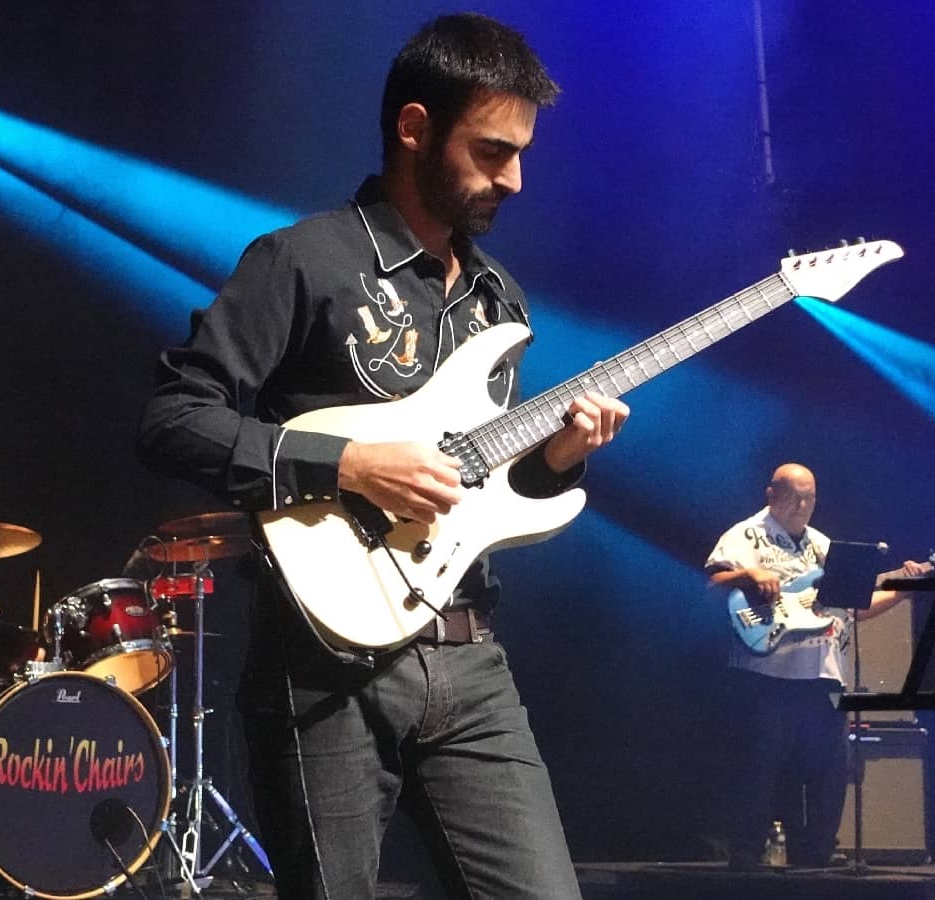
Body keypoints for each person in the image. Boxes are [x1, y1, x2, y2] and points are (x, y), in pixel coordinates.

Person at [137, 13, 629, 899]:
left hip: (471, 656)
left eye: (520, 153)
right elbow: (175, 417)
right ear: (413, 128)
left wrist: (555, 459)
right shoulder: (304, 260)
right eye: (489, 151)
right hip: (325, 661)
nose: (513, 179)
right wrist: (348, 466)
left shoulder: (497, 296)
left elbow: (481, 486)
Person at [705, 462, 930, 869]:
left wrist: (900, 589)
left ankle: (817, 854)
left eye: (809, 497)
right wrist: (752, 574)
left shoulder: (822, 545)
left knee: (829, 771)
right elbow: (715, 579)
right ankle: (746, 857)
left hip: (822, 675)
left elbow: (854, 607)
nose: (802, 505)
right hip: (767, 673)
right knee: (759, 769)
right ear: (771, 494)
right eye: (793, 496)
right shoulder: (747, 533)